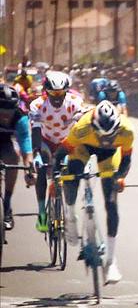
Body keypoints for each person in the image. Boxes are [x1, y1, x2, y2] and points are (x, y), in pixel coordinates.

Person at [53, 100, 134, 284]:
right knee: (71, 176)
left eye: (110, 135)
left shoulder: (127, 130)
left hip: (110, 156)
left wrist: (120, 177)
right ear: (92, 124)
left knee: (111, 203)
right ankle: (71, 216)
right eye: (101, 134)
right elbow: (61, 153)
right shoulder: (82, 127)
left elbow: (127, 160)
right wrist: (56, 176)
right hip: (83, 149)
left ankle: (112, 262)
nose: (105, 139)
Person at [29, 71, 84, 232]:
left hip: (66, 142)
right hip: (46, 141)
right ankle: (42, 215)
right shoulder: (37, 105)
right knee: (41, 170)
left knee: (69, 172)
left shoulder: (75, 102)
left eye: (60, 93)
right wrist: (37, 153)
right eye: (53, 93)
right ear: (46, 91)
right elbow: (36, 130)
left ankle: (68, 210)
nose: (57, 97)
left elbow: (80, 127)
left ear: (66, 91)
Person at [0, 84, 36, 230]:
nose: (6, 115)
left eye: (10, 110)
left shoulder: (20, 117)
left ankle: (7, 204)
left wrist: (30, 169)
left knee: (13, 159)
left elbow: (26, 146)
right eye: (2, 110)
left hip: (5, 142)